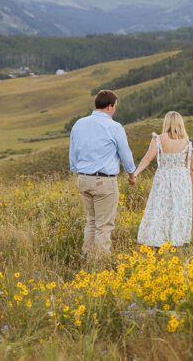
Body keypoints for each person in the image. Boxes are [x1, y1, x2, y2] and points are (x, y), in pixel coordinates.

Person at [68, 89, 136, 258]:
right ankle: (99, 264)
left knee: (91, 222)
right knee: (104, 225)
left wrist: (76, 169)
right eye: (115, 107)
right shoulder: (114, 126)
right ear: (110, 106)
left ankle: (87, 256)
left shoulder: (79, 124)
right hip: (104, 181)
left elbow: (73, 151)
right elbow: (125, 153)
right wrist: (131, 173)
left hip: (83, 178)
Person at [133, 111, 193, 247]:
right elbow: (191, 169)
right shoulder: (187, 142)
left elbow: (147, 158)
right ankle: (176, 241)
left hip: (163, 178)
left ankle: (157, 241)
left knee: (159, 209)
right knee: (178, 210)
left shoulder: (159, 139)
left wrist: (135, 173)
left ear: (166, 122)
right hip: (181, 180)